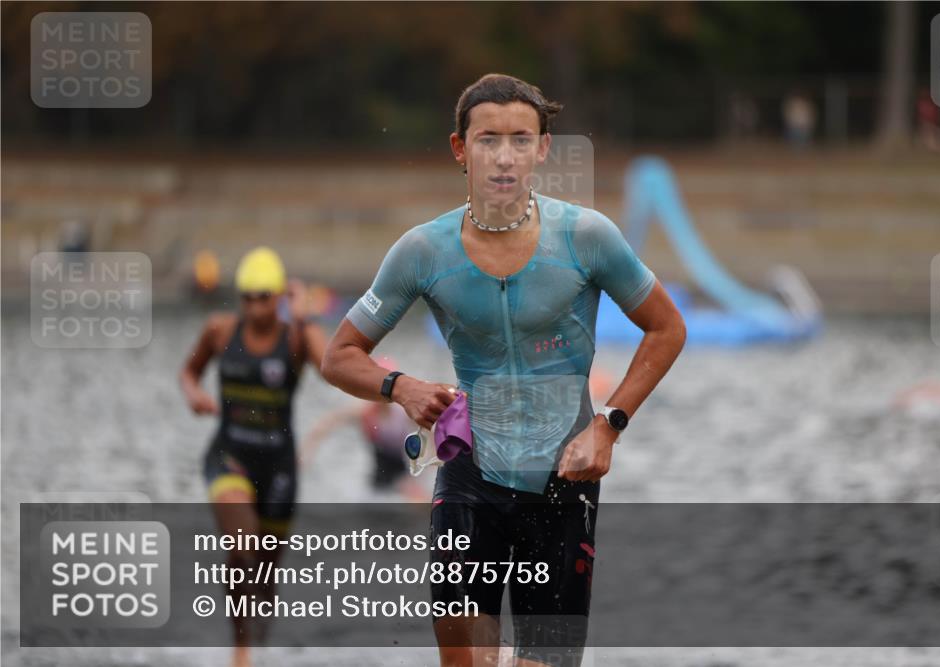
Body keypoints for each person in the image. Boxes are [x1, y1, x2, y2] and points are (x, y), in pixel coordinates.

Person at [321, 74, 686, 667]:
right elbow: (338, 355)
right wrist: (401, 387)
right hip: (470, 477)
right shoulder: (423, 251)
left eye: (521, 139)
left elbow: (667, 328)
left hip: (563, 480)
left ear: (543, 148)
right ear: (460, 149)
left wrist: (608, 425)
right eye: (488, 140)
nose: (504, 157)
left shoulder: (587, 237)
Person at [179, 246, 326, 667]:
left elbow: (332, 366)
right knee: (242, 545)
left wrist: (304, 317)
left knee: (264, 573)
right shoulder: (220, 331)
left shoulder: (296, 336)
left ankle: (259, 640)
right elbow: (189, 372)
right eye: (246, 297)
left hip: (279, 467)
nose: (254, 306)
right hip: (230, 454)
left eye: (263, 297)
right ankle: (240, 648)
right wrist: (194, 394)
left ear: (279, 296)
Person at [300, 356, 428, 501]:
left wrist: (428, 465)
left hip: (404, 474)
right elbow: (327, 423)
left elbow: (429, 435)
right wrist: (306, 453)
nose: (383, 393)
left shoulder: (404, 413)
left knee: (419, 501)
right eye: (378, 386)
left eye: (387, 387)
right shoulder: (365, 413)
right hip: (379, 476)